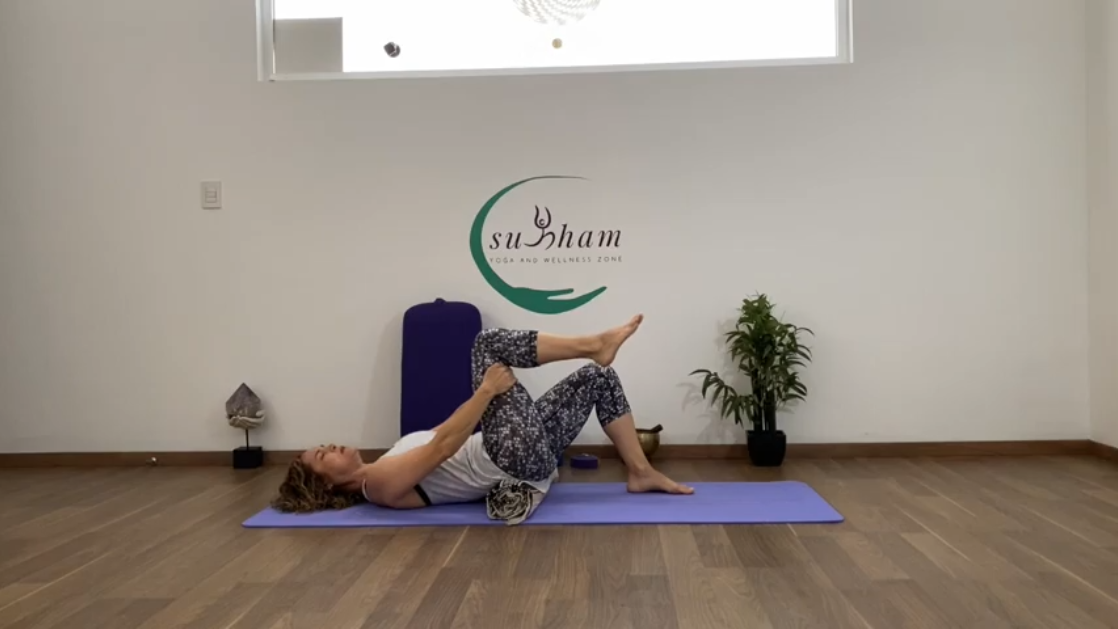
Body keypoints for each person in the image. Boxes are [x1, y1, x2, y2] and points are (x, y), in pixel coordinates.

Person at [272, 315, 693, 518]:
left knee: (598, 378)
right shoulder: (378, 484)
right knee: (485, 344)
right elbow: (444, 446)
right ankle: (593, 343)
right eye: (323, 455)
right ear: (327, 484)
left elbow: (443, 428)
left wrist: (485, 396)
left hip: (520, 449)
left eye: (323, 446)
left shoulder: (387, 459)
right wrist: (487, 391)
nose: (331, 446)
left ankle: (640, 471)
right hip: (508, 458)